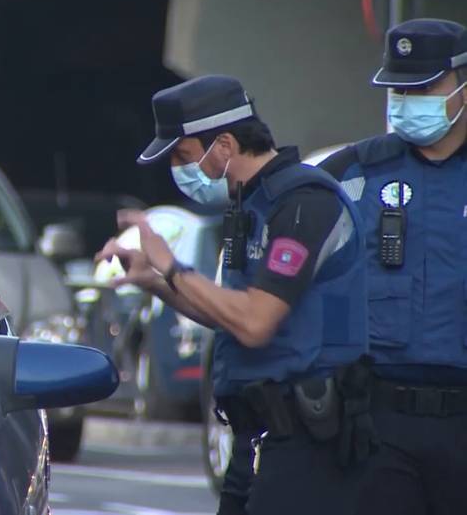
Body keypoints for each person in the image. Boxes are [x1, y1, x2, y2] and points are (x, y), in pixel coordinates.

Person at [98, 75, 373, 515]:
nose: (179, 171)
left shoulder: (304, 203)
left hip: (307, 443)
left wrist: (172, 265)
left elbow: (255, 321)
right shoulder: (250, 204)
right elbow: (228, 313)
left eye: (184, 156)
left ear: (224, 145)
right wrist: (153, 280)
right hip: (255, 438)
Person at [319, 18, 467, 515]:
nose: (406, 98)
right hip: (379, 420)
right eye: (398, 87)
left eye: (423, 86)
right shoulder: (352, 173)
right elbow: (319, 286)